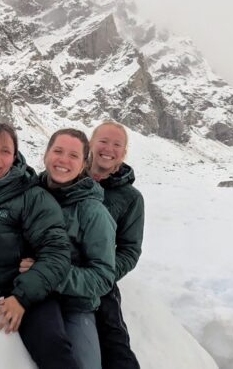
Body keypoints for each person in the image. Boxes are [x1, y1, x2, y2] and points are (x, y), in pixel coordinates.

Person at [0, 121, 79, 369]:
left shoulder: (33, 197)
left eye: (6, 151)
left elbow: (57, 253)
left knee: (52, 345)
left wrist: (20, 297)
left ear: (14, 156)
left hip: (28, 290)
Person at [21, 128, 116, 369]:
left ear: (84, 163)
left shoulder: (93, 213)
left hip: (76, 306)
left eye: (73, 156)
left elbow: (103, 277)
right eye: (58, 151)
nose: (63, 160)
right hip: (30, 297)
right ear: (46, 155)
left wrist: (50, 274)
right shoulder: (28, 195)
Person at [89, 121, 145, 369]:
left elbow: (130, 250)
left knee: (114, 340)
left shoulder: (131, 198)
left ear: (123, 152)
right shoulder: (66, 177)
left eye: (116, 144)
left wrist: (103, 274)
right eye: (103, 141)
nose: (108, 149)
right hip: (56, 269)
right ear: (90, 144)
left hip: (100, 280)